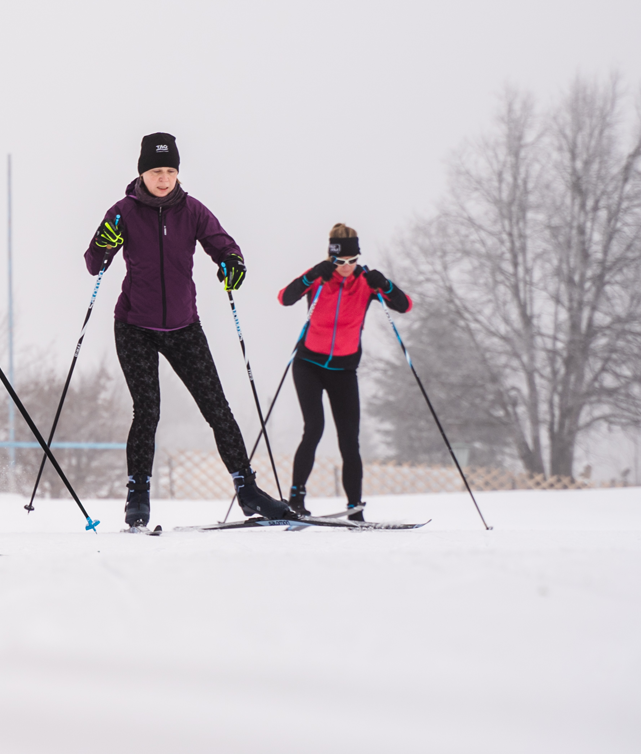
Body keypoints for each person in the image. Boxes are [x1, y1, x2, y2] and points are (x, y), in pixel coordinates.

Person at [86, 132, 294, 529]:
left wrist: (233, 262)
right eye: (156, 171)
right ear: (142, 174)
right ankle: (137, 496)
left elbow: (224, 245)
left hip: (183, 326)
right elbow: (94, 263)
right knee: (147, 410)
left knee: (217, 407)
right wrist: (104, 244)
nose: (163, 179)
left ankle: (248, 490)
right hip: (134, 326)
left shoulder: (193, 210)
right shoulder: (123, 212)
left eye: (170, 171)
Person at [277, 223, 412, 521]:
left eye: (352, 260)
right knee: (314, 428)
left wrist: (385, 284)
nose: (346, 267)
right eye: (340, 261)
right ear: (331, 257)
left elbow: (405, 306)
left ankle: (355, 507)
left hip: (344, 369)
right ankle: (296, 499)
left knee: (350, 439)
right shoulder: (320, 277)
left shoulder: (365, 282)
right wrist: (312, 274)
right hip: (309, 364)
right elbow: (285, 297)